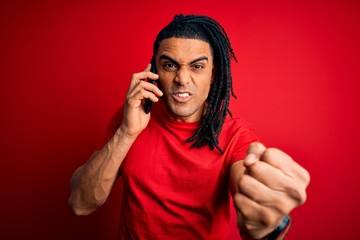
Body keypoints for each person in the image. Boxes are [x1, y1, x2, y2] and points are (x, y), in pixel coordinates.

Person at [68, 14, 310, 240]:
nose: (182, 79)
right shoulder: (131, 118)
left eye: (197, 66)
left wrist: (266, 221)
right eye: (170, 65)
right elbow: (80, 203)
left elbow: (250, 200)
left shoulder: (236, 135)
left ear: (213, 74)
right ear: (154, 71)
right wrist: (127, 132)